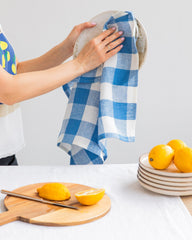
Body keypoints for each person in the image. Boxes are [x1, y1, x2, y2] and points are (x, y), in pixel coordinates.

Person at [0, 21, 125, 165]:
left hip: (6, 153)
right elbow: (7, 91)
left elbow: (15, 72)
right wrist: (81, 64)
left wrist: (66, 49)